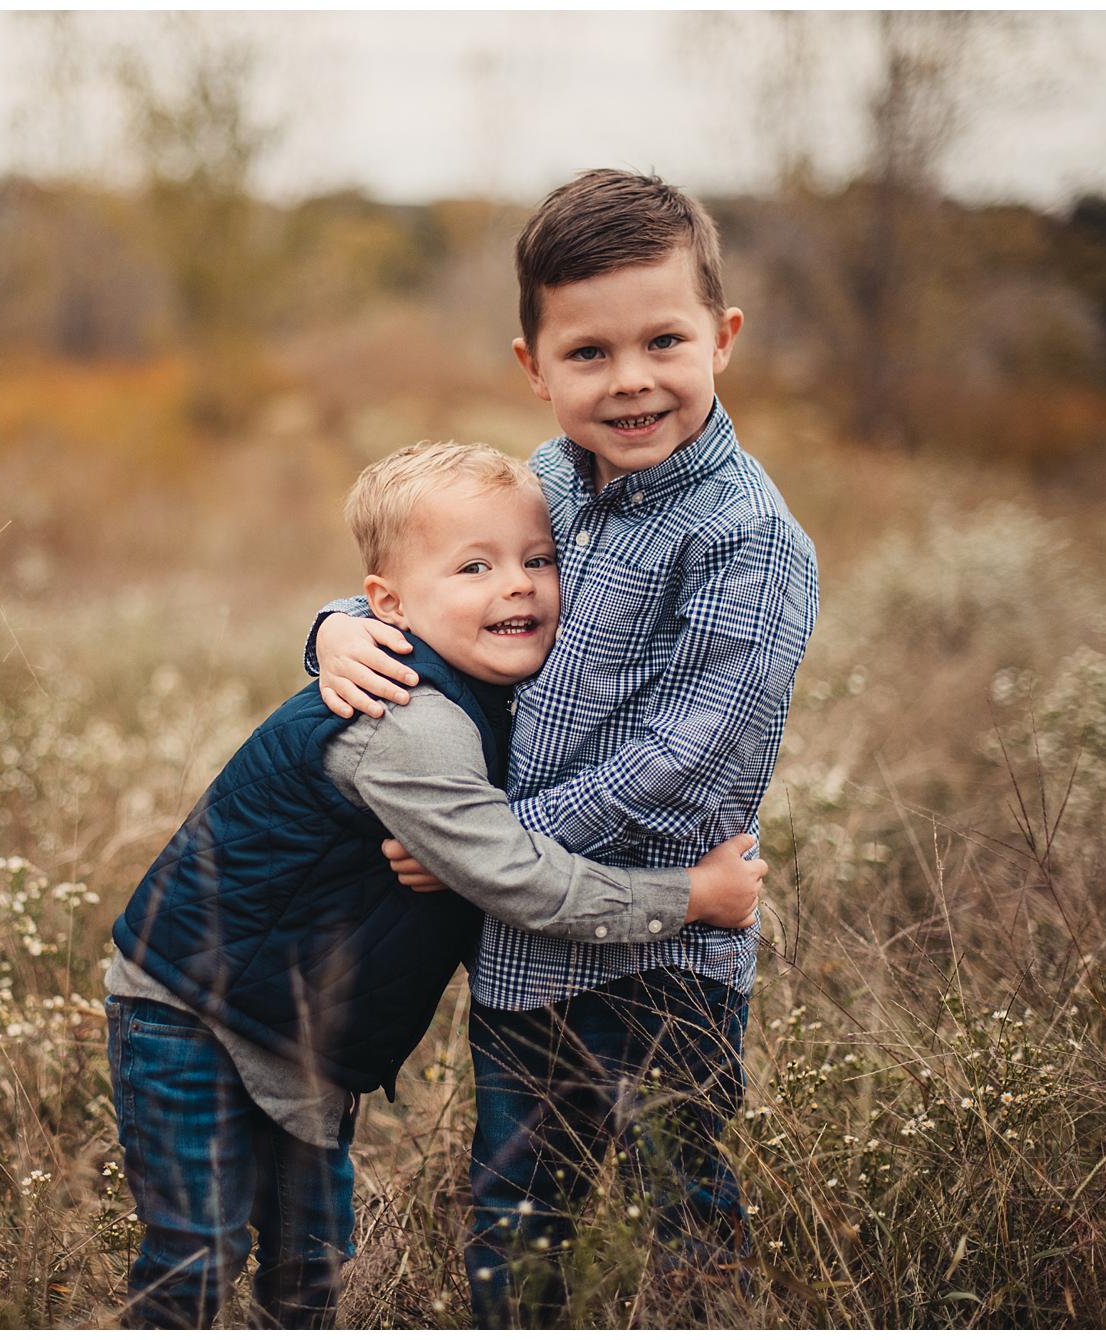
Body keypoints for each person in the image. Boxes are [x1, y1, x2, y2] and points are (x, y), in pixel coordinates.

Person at [106, 440, 769, 1328]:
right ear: (389, 606)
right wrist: (692, 898)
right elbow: (521, 881)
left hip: (299, 1029)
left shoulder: (494, 690)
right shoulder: (411, 722)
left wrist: (334, 625)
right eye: (475, 567)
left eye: (539, 561)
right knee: (198, 1253)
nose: (518, 586)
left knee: (310, 1266)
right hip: (193, 1009)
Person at [309, 171, 819, 1324]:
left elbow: (683, 758)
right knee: (513, 1213)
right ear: (533, 367)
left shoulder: (748, 540)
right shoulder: (540, 482)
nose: (629, 378)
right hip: (522, 953)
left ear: (721, 337)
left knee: (680, 1206)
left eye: (662, 341)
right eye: (588, 352)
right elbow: (432, 591)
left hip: (664, 954)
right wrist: (336, 626)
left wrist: (480, 844)